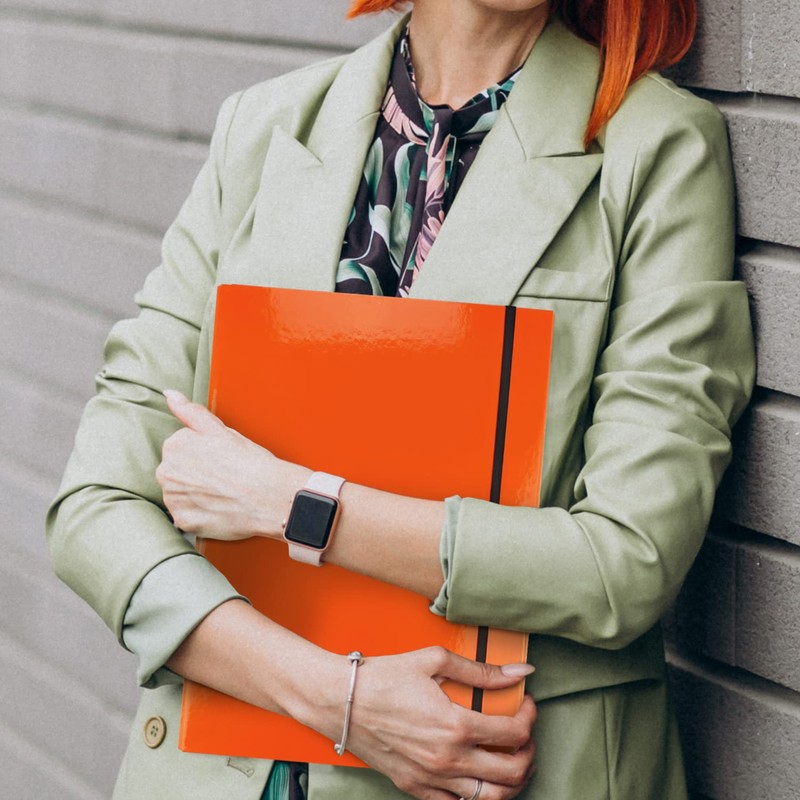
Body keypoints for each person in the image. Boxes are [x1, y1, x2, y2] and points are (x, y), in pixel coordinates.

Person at [46, 0, 755, 798]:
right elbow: (97, 506)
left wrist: (298, 504)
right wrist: (338, 699)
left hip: (506, 773)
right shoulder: (263, 130)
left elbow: (628, 560)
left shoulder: (654, 149)